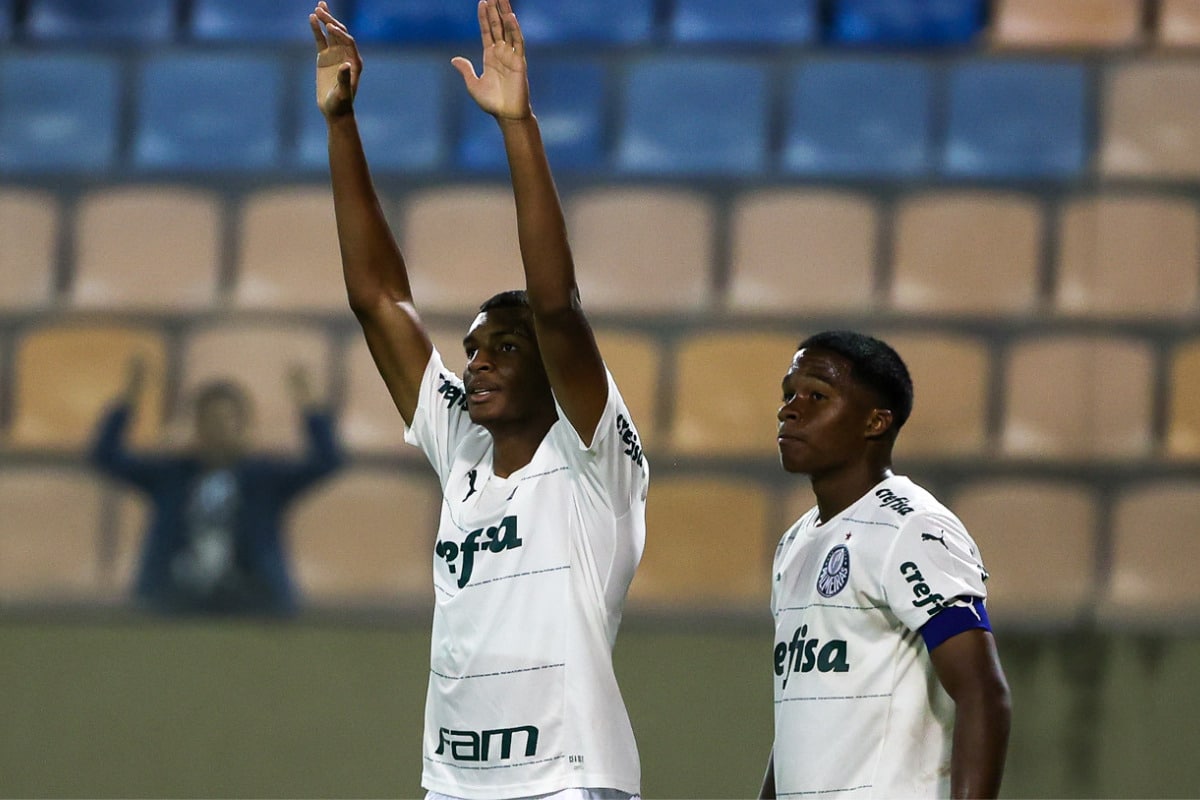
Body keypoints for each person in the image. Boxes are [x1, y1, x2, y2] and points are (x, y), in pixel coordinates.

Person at [310, 1, 648, 798]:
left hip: (568, 779)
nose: (477, 364)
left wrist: (517, 125)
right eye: (471, 349)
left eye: (505, 347)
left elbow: (558, 304)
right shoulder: (461, 442)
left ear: (552, 370)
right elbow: (379, 299)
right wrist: (341, 123)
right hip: (455, 782)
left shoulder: (594, 455)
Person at [761, 330, 1011, 799]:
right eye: (788, 394)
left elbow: (983, 694)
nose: (790, 408)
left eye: (817, 395)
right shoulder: (795, 543)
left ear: (875, 422)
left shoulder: (912, 527)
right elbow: (798, 718)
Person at [89, 359, 343, 617]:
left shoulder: (264, 479)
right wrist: (129, 398)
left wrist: (310, 405)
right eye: (209, 419)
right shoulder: (171, 475)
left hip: (254, 600)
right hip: (174, 598)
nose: (218, 428)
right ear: (196, 425)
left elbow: (326, 462)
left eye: (227, 420)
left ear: (243, 425)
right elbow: (106, 457)